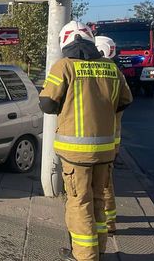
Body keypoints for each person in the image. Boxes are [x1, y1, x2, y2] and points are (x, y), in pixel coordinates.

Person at [39, 21, 133, 261]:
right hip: (105, 151)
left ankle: (84, 256)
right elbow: (125, 100)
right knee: (99, 199)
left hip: (75, 153)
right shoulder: (111, 68)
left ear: (65, 42)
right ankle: (99, 249)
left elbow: (47, 104)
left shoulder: (65, 67)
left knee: (79, 203)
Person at [95, 35, 123, 234]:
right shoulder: (115, 71)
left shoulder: (103, 71)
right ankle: (109, 220)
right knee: (105, 182)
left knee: (104, 185)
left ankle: (107, 223)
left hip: (103, 138)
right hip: (112, 138)